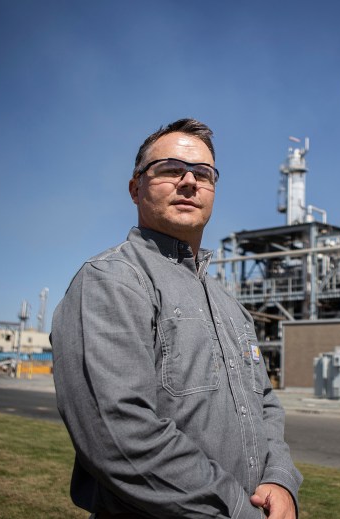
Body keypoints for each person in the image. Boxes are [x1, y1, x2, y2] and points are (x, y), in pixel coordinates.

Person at [52, 118, 302, 519]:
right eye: (170, 169)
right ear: (136, 188)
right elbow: (117, 434)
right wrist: (237, 509)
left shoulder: (228, 304)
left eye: (203, 174)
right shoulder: (112, 281)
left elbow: (266, 407)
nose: (189, 181)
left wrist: (280, 480)